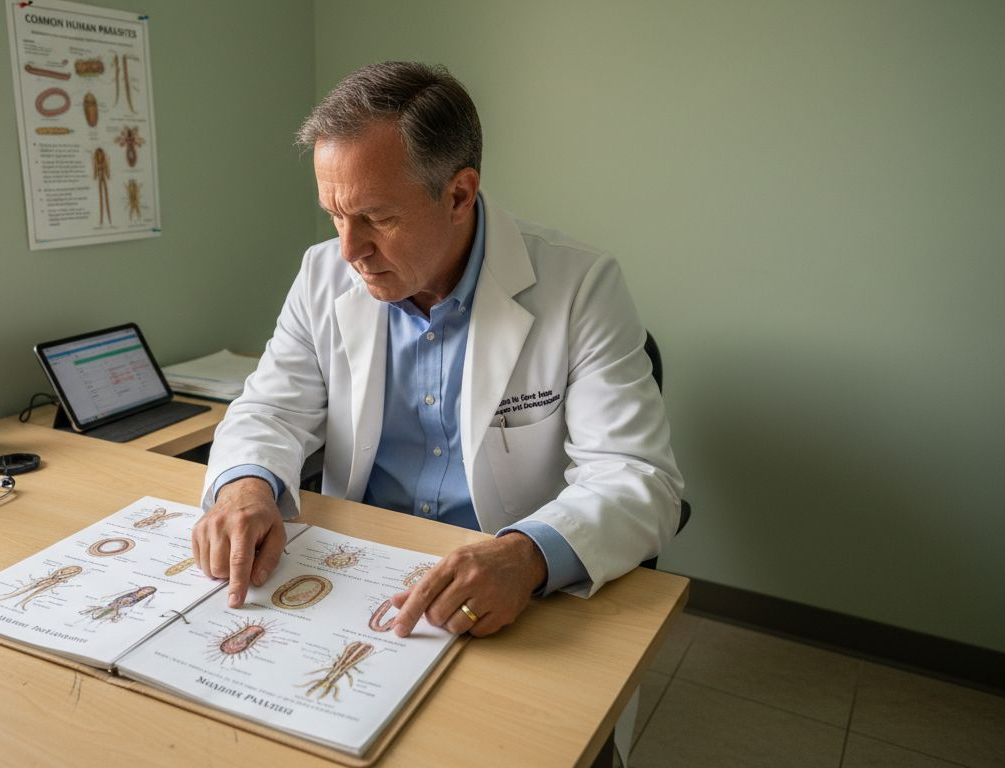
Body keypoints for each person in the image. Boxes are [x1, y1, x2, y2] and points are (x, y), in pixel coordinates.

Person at [192, 61, 683, 638]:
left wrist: (526, 556)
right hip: (351, 574)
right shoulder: (321, 273)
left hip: (500, 590)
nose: (349, 249)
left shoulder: (580, 286)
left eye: (377, 217)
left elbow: (636, 476)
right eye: (335, 215)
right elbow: (270, 409)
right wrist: (245, 488)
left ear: (459, 193)